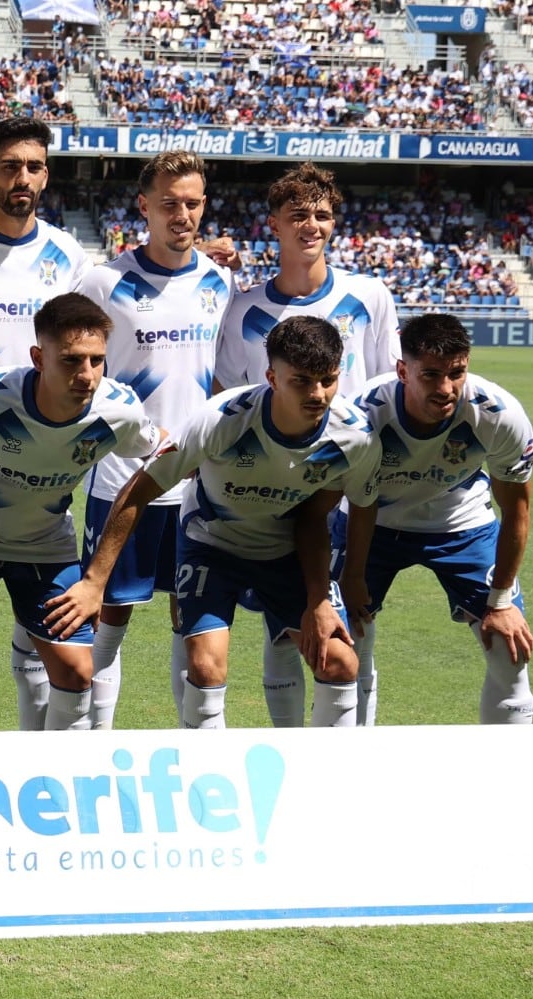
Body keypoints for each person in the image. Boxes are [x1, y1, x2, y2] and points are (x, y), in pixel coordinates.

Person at [56, 316, 382, 729]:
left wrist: (340, 586)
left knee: (337, 661)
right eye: (301, 381)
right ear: (272, 377)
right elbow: (138, 491)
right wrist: (95, 581)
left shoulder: (355, 436)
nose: (317, 394)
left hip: (287, 553)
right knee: (208, 667)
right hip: (212, 546)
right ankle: (206, 781)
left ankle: (322, 785)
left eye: (328, 380)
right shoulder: (220, 421)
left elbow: (351, 508)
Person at [0, 294, 161, 731]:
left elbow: (160, 451)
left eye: (97, 361)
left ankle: (58, 788)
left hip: (46, 545)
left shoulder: (117, 409)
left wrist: (96, 579)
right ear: (38, 357)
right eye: (71, 361)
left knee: (76, 672)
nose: (87, 375)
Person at [210, 161, 401, 727]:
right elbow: (226, 394)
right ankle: (290, 745)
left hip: (349, 492)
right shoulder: (246, 308)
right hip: (272, 493)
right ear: (274, 224)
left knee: (354, 626)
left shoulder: (369, 295)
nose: (310, 226)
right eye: (298, 216)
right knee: (282, 629)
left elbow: (383, 391)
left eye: (321, 215)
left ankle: (351, 751)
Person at [77, 150, 234, 728]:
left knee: (189, 616)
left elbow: (223, 375)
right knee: (106, 615)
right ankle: (92, 743)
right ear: (144, 207)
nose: (182, 214)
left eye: (193, 203)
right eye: (169, 203)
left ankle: (195, 748)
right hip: (124, 476)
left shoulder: (222, 282)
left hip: (199, 483)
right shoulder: (104, 282)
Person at [0, 116, 90, 731]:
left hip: (45, 462)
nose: (23, 178)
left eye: (34, 167)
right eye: (9, 167)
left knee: (44, 641)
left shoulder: (68, 255)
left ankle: (39, 772)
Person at [340, 312, 533, 725]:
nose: (445, 388)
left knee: (509, 648)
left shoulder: (499, 415)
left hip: (461, 524)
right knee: (347, 647)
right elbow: (345, 499)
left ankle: (510, 780)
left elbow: (516, 509)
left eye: (457, 373)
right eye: (430, 374)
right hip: (371, 523)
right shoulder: (360, 415)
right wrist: (353, 576)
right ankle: (351, 767)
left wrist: (500, 600)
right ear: (402, 370)